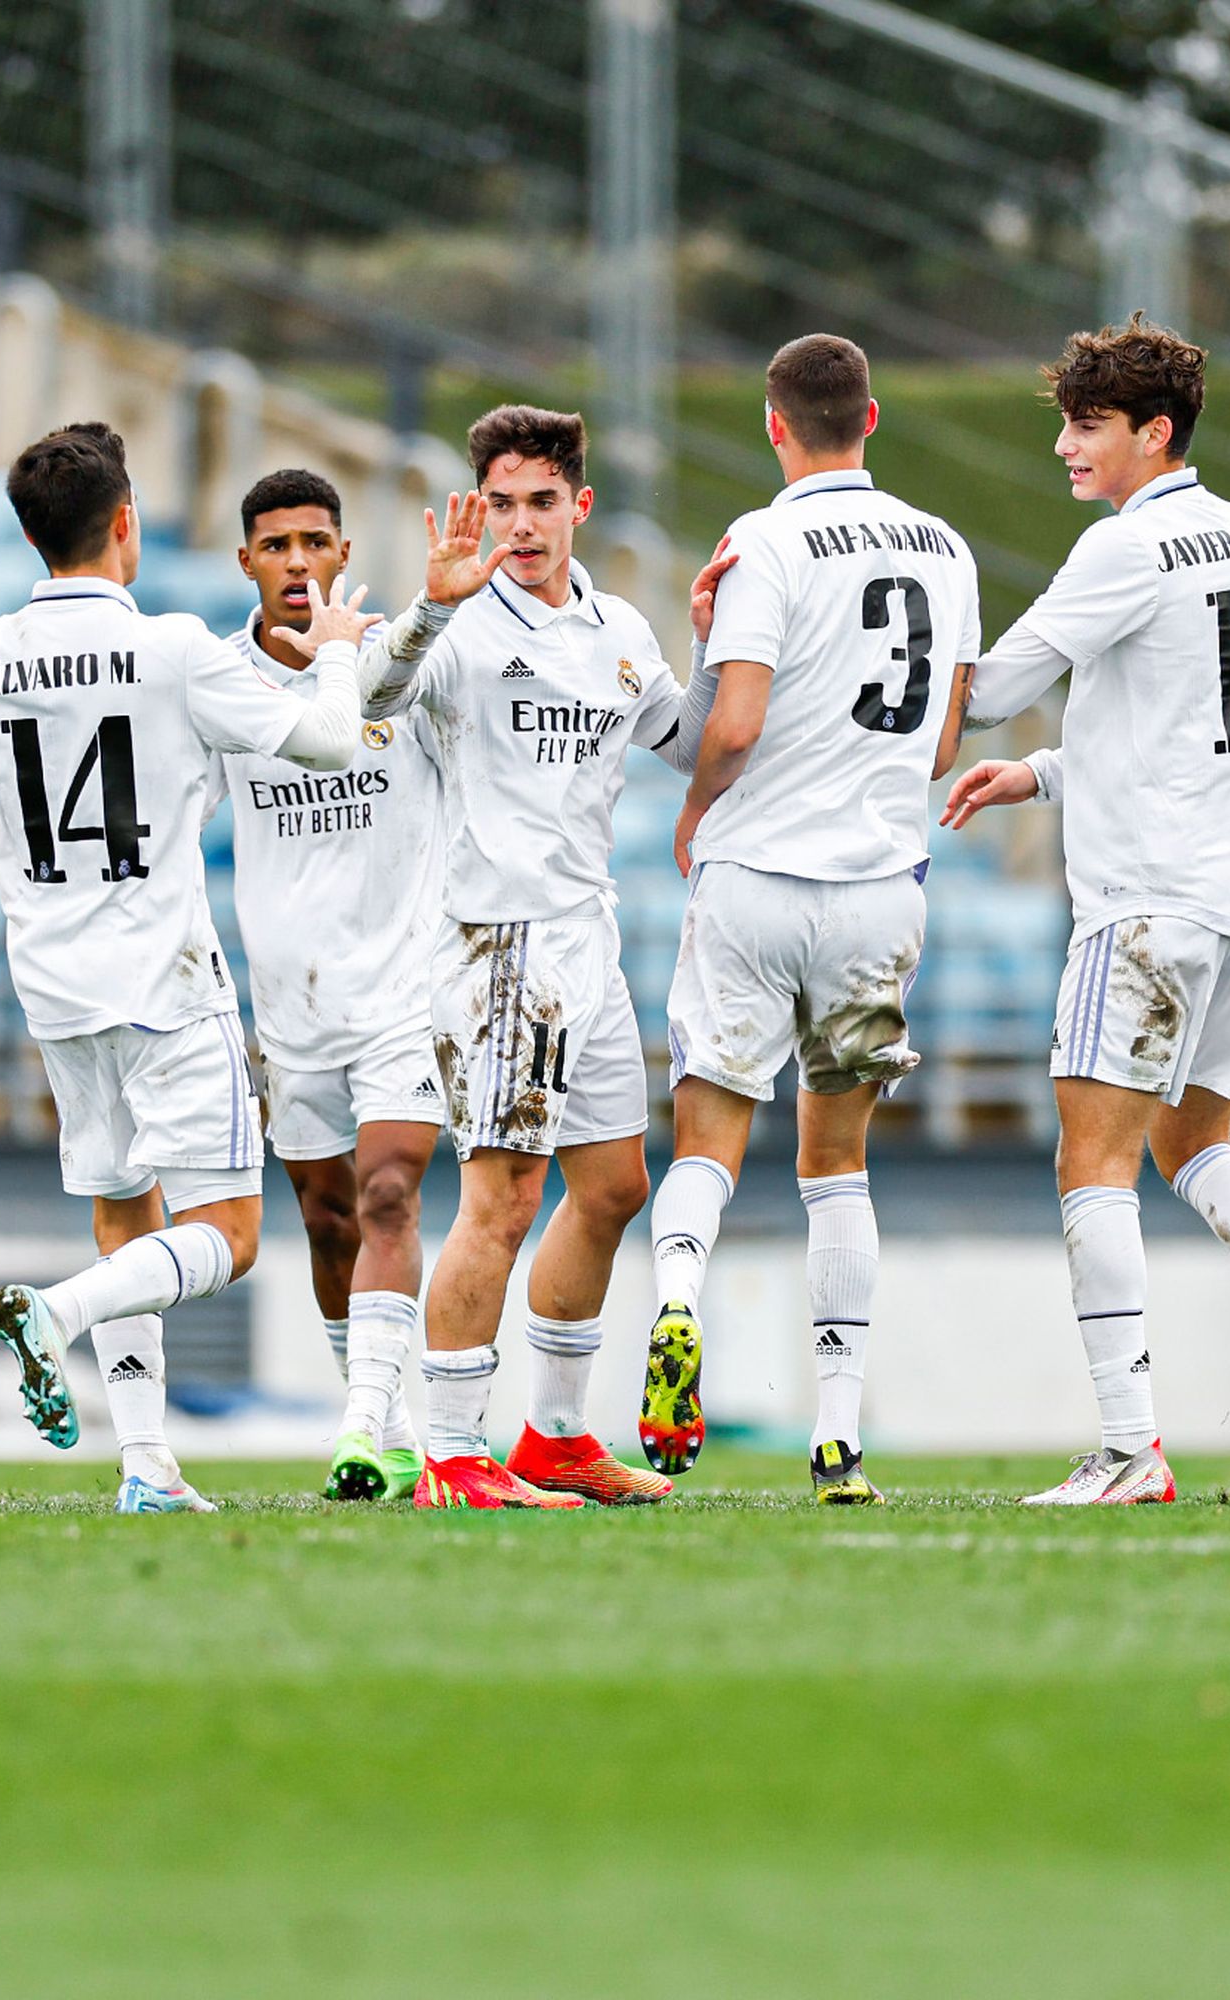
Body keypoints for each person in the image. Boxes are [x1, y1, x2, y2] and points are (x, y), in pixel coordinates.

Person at [0, 421, 374, 1513]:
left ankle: (145, 1465)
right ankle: (62, 1314)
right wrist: (346, 648)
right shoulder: (173, 649)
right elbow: (327, 741)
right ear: (124, 522)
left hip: (56, 993)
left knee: (125, 1207)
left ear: (33, 534)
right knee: (224, 1235)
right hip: (167, 983)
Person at [941, 313, 1230, 1503]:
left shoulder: (1123, 551)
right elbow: (1192, 721)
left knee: (1094, 1163)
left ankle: (1130, 1447)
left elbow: (988, 690)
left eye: (1089, 427)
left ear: (1153, 431)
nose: (1068, 450)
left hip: (1146, 904)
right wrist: (1047, 773)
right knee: (1195, 1143)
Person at [341, 405, 733, 1509]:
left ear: (579, 506)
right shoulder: (459, 620)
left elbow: (690, 743)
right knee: (502, 1199)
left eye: (539, 502)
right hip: (498, 943)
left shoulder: (615, 628)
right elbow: (368, 696)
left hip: (586, 942)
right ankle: (453, 1452)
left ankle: (554, 1437)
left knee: (611, 1186)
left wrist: (711, 644)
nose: (518, 523)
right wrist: (429, 603)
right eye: (500, 502)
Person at [639, 333, 980, 1505]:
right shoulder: (947, 547)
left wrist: (693, 806)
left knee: (707, 1142)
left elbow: (729, 724)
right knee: (835, 1168)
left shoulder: (759, 540)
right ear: (871, 418)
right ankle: (838, 1435)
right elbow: (940, 743)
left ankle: (677, 1309)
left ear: (774, 424)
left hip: (755, 878)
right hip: (879, 886)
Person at [210, 467, 450, 1503]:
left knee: (391, 1189)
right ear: (247, 562)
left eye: (316, 541)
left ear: (346, 553)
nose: (299, 561)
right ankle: (390, 1433)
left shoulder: (404, 660)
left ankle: (354, 1428)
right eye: (277, 545)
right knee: (326, 1220)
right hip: (290, 1000)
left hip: (404, 986)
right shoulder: (214, 681)